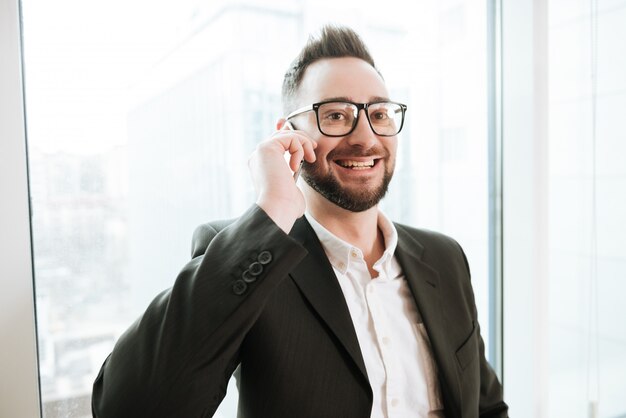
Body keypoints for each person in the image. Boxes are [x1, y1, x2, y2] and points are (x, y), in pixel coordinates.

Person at [92, 25, 508, 418]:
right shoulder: (250, 255)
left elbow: (486, 409)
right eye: (336, 115)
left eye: (379, 114)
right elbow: (129, 406)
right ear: (287, 133)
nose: (365, 136)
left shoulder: (445, 257)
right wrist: (272, 207)